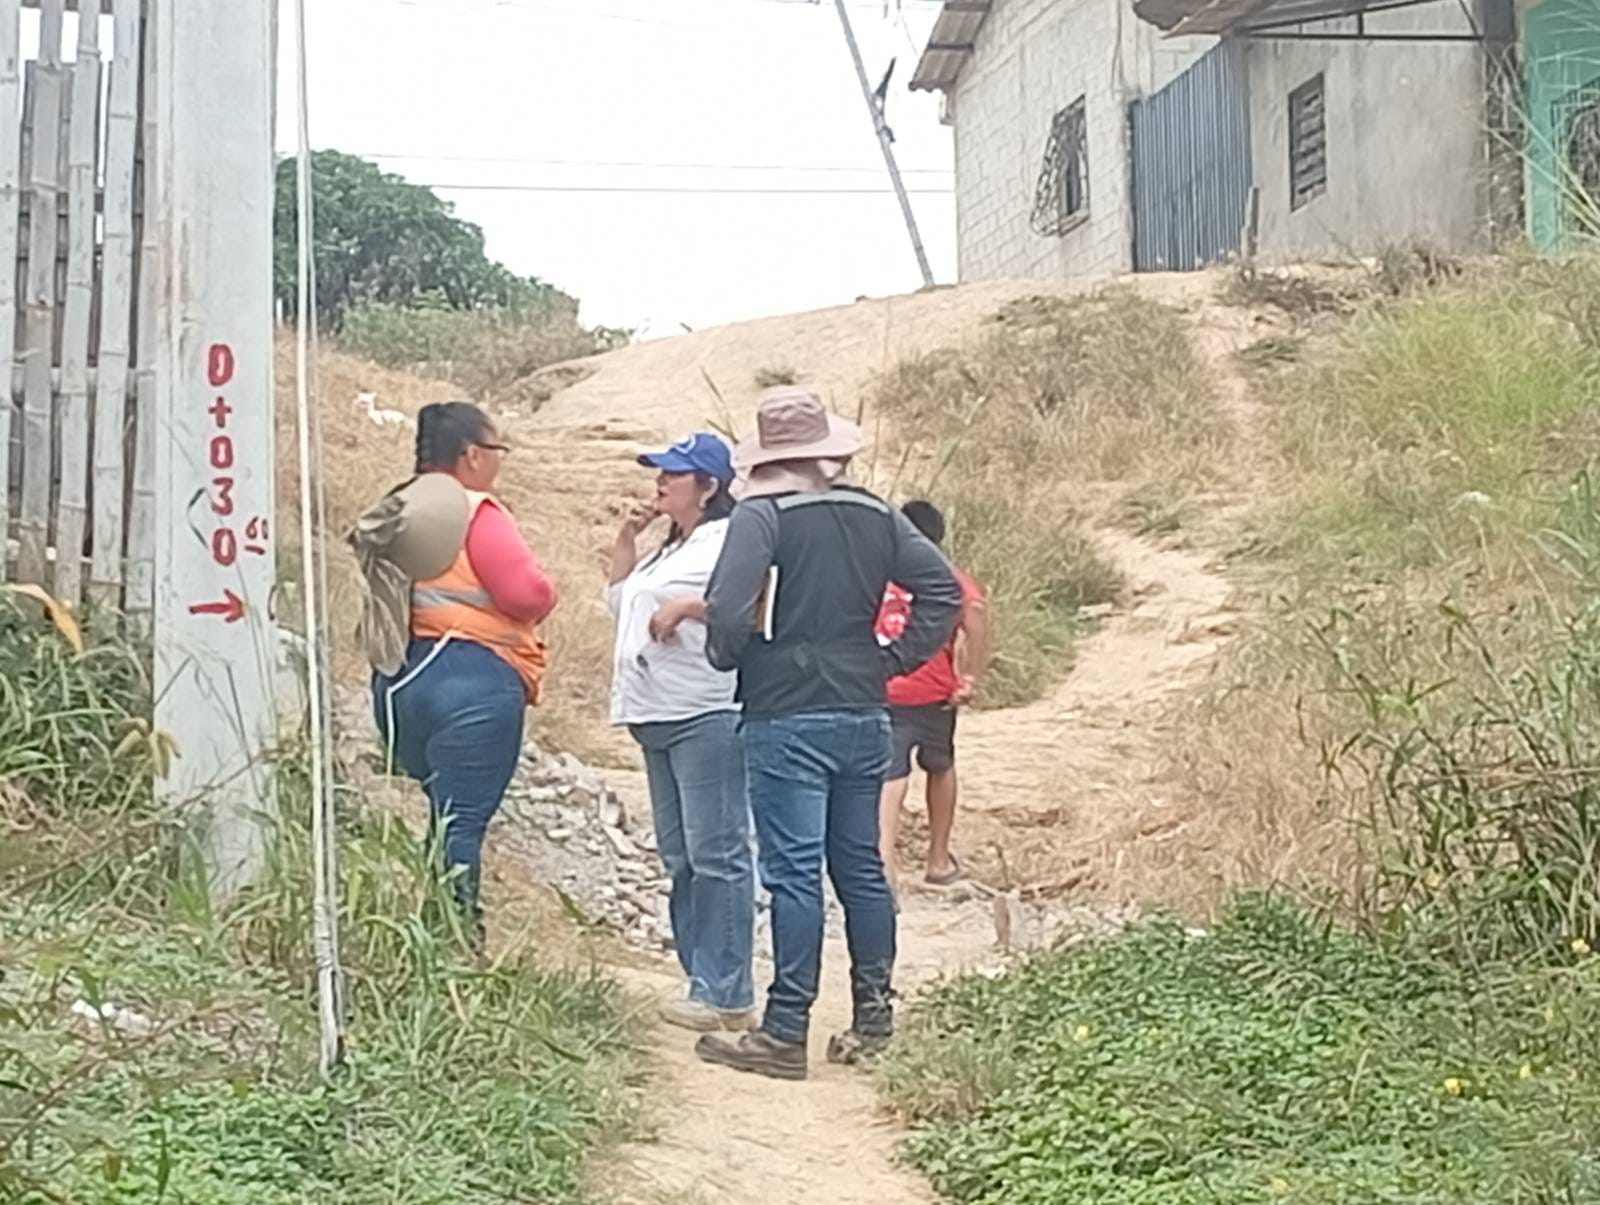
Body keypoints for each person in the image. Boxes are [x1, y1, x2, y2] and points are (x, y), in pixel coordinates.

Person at [695, 386, 962, 1082]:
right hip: (865, 707)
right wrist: (893, 660)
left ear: (768, 458)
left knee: (794, 873)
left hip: (785, 711)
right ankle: (874, 1022)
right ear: (826, 453)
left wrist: (730, 655)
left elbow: (727, 608)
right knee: (861, 869)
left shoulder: (761, 516)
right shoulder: (876, 512)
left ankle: (786, 1030)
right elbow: (943, 591)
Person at [355, 401, 558, 943]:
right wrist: (549, 591)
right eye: (496, 449)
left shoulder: (399, 505)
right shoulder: (476, 513)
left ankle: (429, 930)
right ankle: (454, 941)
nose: (498, 461)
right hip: (472, 684)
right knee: (462, 822)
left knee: (444, 817)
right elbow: (524, 594)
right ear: (471, 455)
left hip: (399, 682)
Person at [607, 432, 756, 1033]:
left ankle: (728, 990)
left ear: (709, 486)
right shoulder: (670, 548)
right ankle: (702, 978)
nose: (661, 481)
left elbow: (754, 603)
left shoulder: (730, 540)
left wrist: (690, 608)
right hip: (656, 712)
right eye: (660, 471)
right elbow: (621, 604)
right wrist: (627, 539)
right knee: (681, 856)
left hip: (704, 709)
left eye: (674, 473)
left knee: (716, 851)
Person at [875, 500, 988, 897]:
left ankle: (884, 865)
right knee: (940, 765)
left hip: (884, 686)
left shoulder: (877, 572)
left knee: (890, 776)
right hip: (934, 690)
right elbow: (975, 617)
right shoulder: (950, 577)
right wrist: (969, 677)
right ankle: (938, 860)